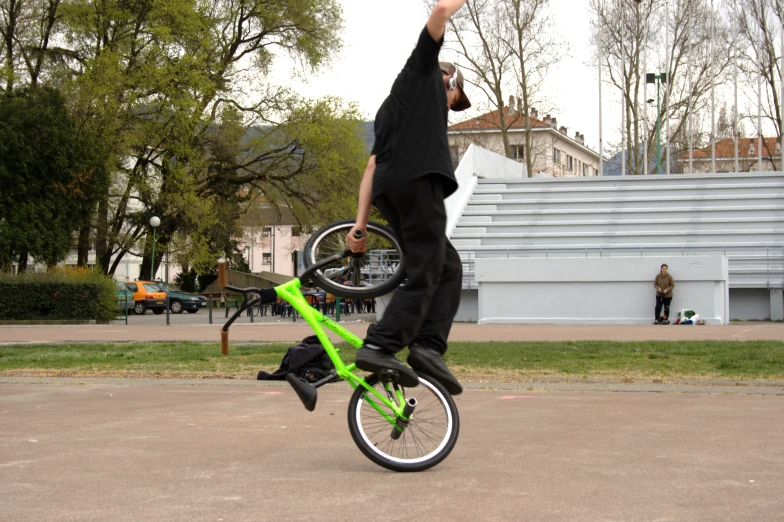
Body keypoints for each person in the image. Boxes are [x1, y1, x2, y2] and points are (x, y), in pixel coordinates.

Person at [345, 0, 470, 394]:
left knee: (446, 265)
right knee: (427, 268)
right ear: (450, 82)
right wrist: (449, 8)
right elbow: (437, 16)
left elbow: (370, 167)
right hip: (418, 183)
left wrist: (360, 225)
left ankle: (428, 347)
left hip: (390, 189)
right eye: (457, 99)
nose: (453, 108)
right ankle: (382, 344)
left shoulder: (390, 109)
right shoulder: (423, 74)